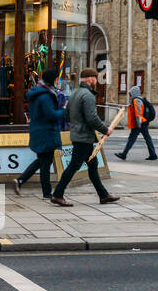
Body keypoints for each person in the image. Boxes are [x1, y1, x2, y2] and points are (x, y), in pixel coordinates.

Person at [50, 67, 120, 207]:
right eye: (95, 79)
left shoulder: (75, 93)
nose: (96, 82)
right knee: (74, 166)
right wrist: (106, 130)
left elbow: (67, 115)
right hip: (84, 137)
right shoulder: (88, 95)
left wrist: (77, 123)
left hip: (79, 135)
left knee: (92, 166)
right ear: (90, 79)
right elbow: (92, 118)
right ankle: (57, 194)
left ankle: (103, 195)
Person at [14, 67, 65, 199]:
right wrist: (65, 110)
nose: (57, 81)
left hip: (38, 130)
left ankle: (21, 180)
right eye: (56, 79)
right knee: (45, 164)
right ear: (52, 80)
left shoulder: (37, 92)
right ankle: (47, 193)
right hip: (46, 132)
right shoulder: (45, 96)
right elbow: (51, 115)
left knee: (42, 161)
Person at [116, 85, 158, 161]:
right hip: (142, 122)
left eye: (130, 93)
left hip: (139, 123)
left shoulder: (136, 100)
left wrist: (138, 125)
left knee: (132, 139)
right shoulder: (138, 100)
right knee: (147, 138)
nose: (130, 95)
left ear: (134, 93)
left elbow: (138, 113)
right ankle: (153, 154)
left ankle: (124, 154)